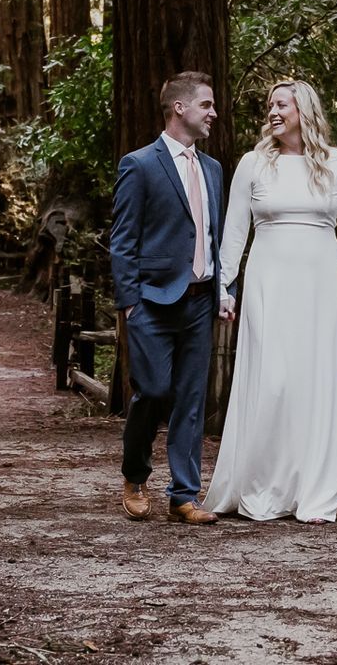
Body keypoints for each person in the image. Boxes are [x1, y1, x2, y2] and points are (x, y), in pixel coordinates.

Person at [203, 79, 337, 524]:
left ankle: (315, 494)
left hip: (320, 285)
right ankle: (262, 487)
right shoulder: (252, 164)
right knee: (272, 381)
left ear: (303, 109)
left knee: (315, 384)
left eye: (281, 104)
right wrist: (223, 287)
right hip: (268, 282)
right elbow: (233, 234)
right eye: (269, 104)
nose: (272, 111)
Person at [109, 71, 225, 525]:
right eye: (206, 105)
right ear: (180, 108)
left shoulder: (213, 169)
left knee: (192, 397)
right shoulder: (138, 164)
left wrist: (222, 291)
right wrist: (130, 303)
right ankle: (135, 475)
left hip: (200, 301)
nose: (213, 113)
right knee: (153, 390)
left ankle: (183, 495)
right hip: (153, 303)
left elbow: (213, 236)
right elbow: (122, 240)